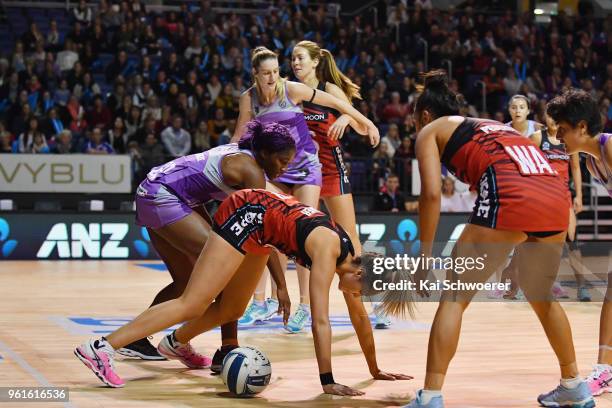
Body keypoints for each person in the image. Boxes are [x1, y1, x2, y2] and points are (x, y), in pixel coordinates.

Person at [74, 188, 412, 394]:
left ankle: (175, 343)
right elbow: (319, 322)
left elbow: (361, 322)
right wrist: (328, 380)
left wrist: (374, 369)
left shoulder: (352, 262)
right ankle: (101, 346)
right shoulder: (329, 251)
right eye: (363, 290)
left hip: (265, 229)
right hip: (247, 212)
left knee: (233, 309)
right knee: (194, 301)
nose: (359, 296)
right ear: (360, 272)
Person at [404, 70, 593, 408]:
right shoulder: (490, 125)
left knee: (455, 295)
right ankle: (574, 385)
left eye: (416, 120)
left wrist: (425, 259)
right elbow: (517, 178)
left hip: (514, 191)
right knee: (541, 294)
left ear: (426, 115)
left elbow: (431, 195)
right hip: (554, 196)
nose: (416, 126)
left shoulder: (430, 131)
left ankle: (430, 396)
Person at [112, 120, 296, 372]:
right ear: (264, 153)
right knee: (224, 267)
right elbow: (259, 234)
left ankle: (135, 339)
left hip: (157, 191)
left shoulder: (245, 157)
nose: (284, 169)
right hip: (164, 195)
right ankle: (226, 349)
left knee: (186, 283)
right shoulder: (250, 171)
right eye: (282, 161)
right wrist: (282, 286)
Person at [231, 46, 379, 334]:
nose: (294, 63)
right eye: (293, 58)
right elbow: (244, 132)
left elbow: (346, 108)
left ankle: (370, 297)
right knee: (270, 231)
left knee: (347, 235)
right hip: (285, 167)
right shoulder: (263, 94)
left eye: (300, 58)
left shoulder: (318, 88)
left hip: (323, 167)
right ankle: (265, 301)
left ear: (315, 62)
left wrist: (356, 121)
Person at [547, 88, 612, 398]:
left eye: (563, 130)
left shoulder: (609, 147)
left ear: (582, 127)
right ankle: (605, 368)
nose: (559, 137)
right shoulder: (590, 163)